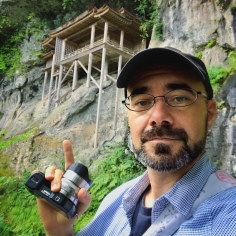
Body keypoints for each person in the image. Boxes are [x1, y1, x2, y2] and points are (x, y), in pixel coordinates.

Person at [36, 47, 236, 236]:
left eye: (179, 98)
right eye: (142, 102)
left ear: (209, 114)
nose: (158, 116)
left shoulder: (228, 215)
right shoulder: (116, 199)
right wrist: (59, 233)